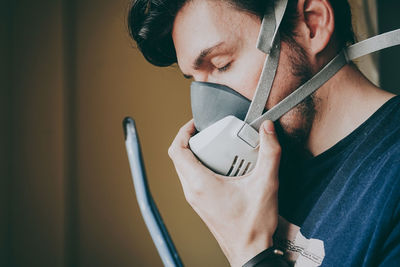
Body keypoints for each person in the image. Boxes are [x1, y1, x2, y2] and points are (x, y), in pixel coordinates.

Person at [128, 0, 400, 266]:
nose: (207, 111)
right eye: (197, 82)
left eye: (221, 64)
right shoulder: (267, 179)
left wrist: (247, 251)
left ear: (313, 24)